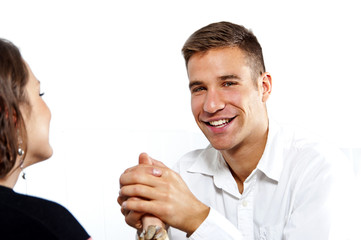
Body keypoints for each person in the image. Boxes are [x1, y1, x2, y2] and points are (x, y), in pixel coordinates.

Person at [118, 21, 356, 239]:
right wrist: (153, 225)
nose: (211, 105)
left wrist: (196, 218)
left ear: (263, 87)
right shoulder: (184, 175)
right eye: (199, 88)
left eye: (228, 83)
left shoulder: (320, 170)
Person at [0, 38, 92, 239]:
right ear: (11, 116)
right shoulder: (47, 224)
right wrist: (153, 229)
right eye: (39, 94)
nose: (49, 112)